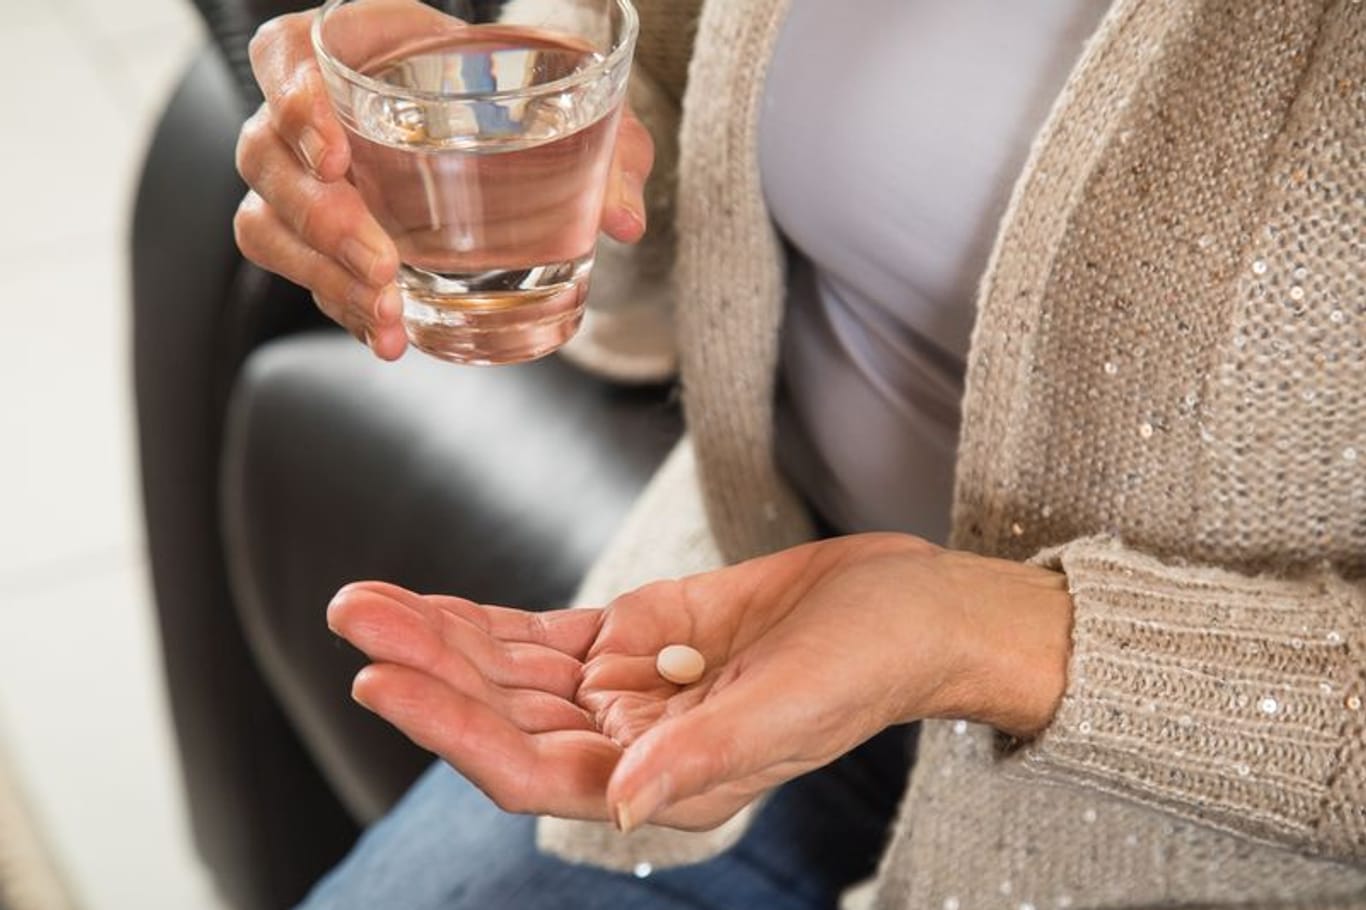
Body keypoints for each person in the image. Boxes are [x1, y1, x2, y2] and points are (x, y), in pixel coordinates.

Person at [233, 0, 1366, 907]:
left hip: (1200, 834)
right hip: (731, 614)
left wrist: (988, 638)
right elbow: (655, 89)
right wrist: (519, 140)